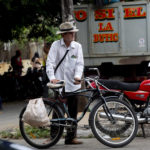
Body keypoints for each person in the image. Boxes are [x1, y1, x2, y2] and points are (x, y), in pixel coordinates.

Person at [46, 22, 84, 144]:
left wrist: (78, 76)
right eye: (70, 33)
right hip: (59, 84)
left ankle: (71, 137)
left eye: (73, 32)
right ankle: (53, 137)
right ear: (64, 35)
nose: (73, 34)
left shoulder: (77, 46)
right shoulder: (55, 46)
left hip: (73, 84)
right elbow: (50, 63)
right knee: (57, 112)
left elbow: (79, 64)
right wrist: (52, 77)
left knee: (73, 112)